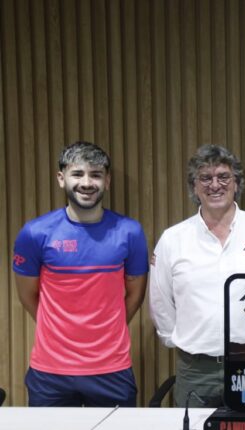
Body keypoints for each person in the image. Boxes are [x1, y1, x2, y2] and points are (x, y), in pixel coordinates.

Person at [149, 144, 245, 407]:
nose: (215, 185)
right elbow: (161, 303)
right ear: (194, 187)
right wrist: (182, 340)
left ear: (236, 183)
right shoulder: (173, 239)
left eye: (223, 177)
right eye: (205, 178)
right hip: (196, 369)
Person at [12, 141, 148, 407]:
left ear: (107, 181)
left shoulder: (130, 232)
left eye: (95, 175)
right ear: (61, 178)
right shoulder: (34, 233)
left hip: (112, 368)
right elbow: (28, 297)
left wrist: (107, 331)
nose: (87, 183)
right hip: (51, 372)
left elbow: (135, 296)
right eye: (78, 174)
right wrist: (59, 332)